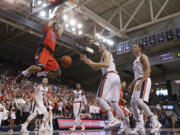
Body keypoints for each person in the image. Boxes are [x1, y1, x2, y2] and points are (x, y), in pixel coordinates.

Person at [80, 43, 129, 132]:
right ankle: (125, 125)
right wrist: (88, 61)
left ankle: (112, 118)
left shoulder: (105, 53)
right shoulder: (105, 55)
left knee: (99, 98)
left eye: (101, 45)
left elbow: (106, 64)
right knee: (114, 103)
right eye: (99, 46)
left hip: (109, 75)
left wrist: (93, 62)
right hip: (116, 77)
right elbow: (95, 68)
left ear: (106, 47)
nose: (99, 47)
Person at [16, 7, 66, 83]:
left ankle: (42, 73)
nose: (58, 27)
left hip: (50, 55)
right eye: (57, 26)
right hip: (43, 50)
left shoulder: (56, 36)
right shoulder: (48, 29)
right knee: (39, 68)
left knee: (58, 73)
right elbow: (53, 19)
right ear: (53, 25)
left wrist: (66, 20)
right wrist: (58, 13)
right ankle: (24, 73)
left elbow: (62, 29)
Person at [128, 43, 162, 134]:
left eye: (135, 47)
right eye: (133, 46)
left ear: (140, 49)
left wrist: (141, 82)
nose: (133, 48)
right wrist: (131, 85)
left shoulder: (143, 57)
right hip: (138, 80)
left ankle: (155, 122)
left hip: (144, 80)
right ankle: (139, 125)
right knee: (132, 103)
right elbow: (137, 76)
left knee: (139, 101)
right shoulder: (135, 60)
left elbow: (148, 70)